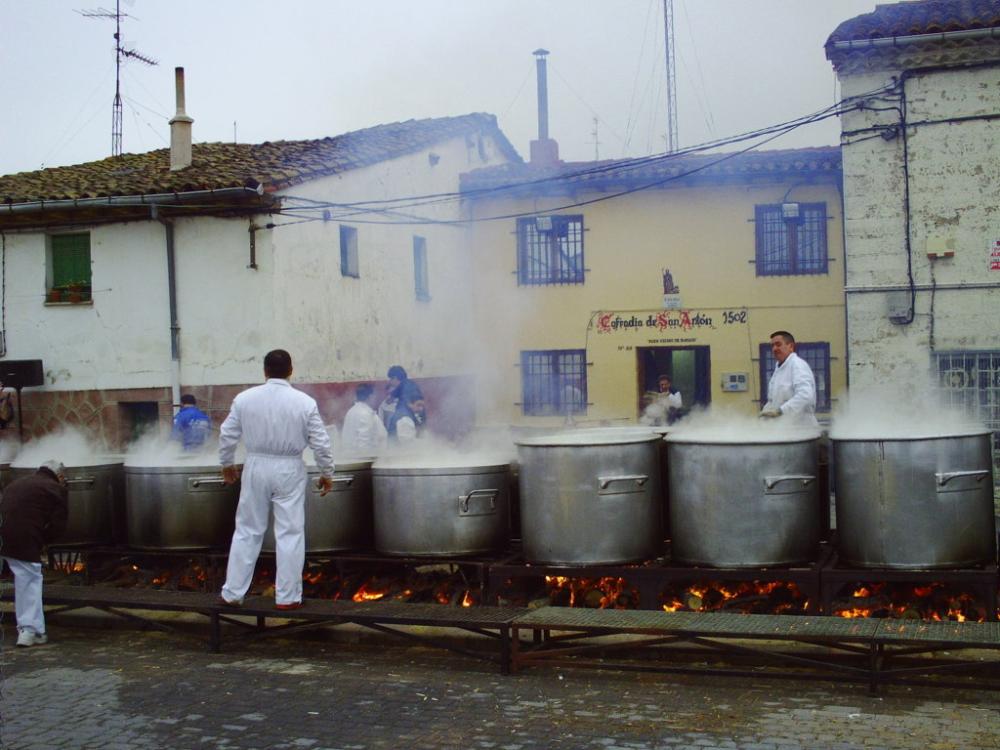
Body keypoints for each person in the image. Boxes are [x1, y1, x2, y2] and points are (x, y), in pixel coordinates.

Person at [218, 349, 335, 610]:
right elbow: (321, 442)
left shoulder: (244, 399)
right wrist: (327, 473)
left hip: (256, 465)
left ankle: (232, 593)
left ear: (265, 371)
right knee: (290, 532)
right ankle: (288, 597)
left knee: (247, 529)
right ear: (291, 370)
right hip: (289, 468)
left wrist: (227, 463)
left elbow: (227, 434)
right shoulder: (304, 402)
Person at [0, 460, 68, 647]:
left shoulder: (17, 483)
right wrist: (43, 541)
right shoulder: (56, 489)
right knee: (29, 581)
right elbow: (57, 526)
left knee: (24, 578)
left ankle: (34, 630)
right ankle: (29, 631)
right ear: (60, 476)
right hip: (24, 538)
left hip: (3, 535)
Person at [760, 330, 819, 428]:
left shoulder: (798, 365)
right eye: (772, 346)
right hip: (785, 429)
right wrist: (763, 416)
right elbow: (771, 401)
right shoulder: (778, 370)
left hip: (803, 429)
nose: (774, 349)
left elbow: (805, 395)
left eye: (778, 344)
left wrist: (781, 411)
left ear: (791, 346)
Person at [340, 383, 387, 454]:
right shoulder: (365, 414)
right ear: (370, 396)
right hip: (363, 458)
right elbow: (364, 445)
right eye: (374, 395)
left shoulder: (352, 410)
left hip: (352, 455)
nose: (375, 397)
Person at [378, 365, 424, 430]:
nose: (390, 381)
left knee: (392, 430)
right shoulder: (412, 384)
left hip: (405, 417)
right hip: (418, 418)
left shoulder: (401, 385)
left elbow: (389, 400)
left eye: (391, 379)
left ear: (395, 378)